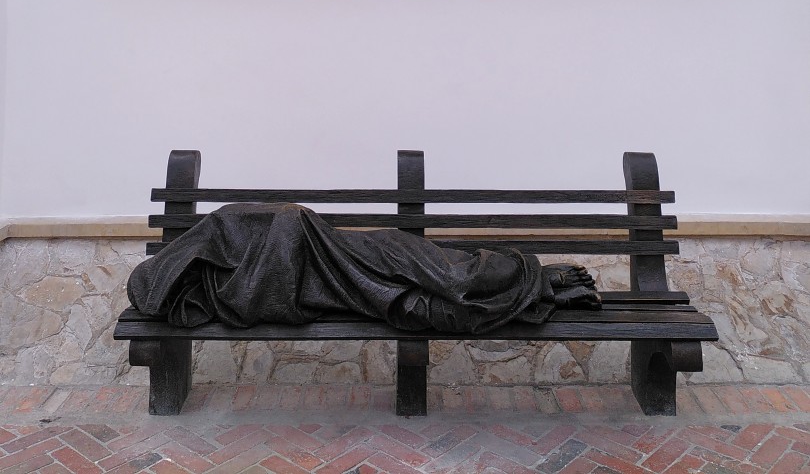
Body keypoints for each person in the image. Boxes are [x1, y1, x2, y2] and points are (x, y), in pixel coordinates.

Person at [128, 203, 600, 335]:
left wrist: (293, 244)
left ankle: (529, 277)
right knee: (417, 310)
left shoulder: (222, 226)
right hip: (336, 291)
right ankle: (542, 295)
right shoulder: (218, 296)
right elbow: (262, 303)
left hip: (348, 253)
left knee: (444, 273)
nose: (178, 298)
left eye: (169, 287)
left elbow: (292, 221)